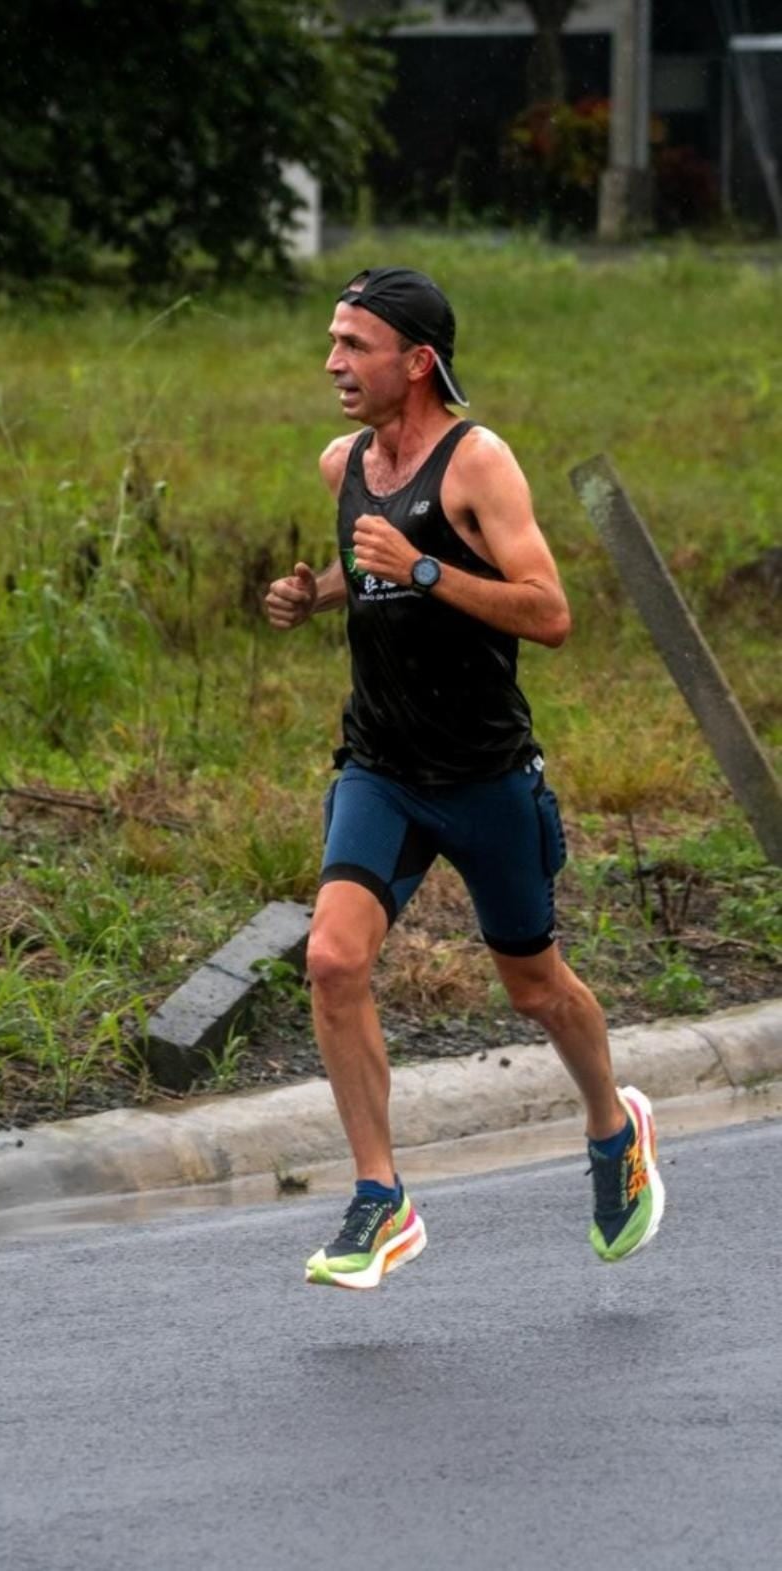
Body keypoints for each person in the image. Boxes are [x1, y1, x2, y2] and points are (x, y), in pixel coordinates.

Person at [264, 267, 665, 1290]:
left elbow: (551, 612)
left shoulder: (478, 464)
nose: (333, 363)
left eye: (355, 344)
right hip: (383, 767)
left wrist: (423, 567)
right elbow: (371, 578)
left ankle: (614, 1127)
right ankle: (380, 1196)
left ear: (419, 360)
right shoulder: (340, 462)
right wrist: (317, 594)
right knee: (332, 959)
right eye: (334, 340)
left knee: (536, 986)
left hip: (486, 775)